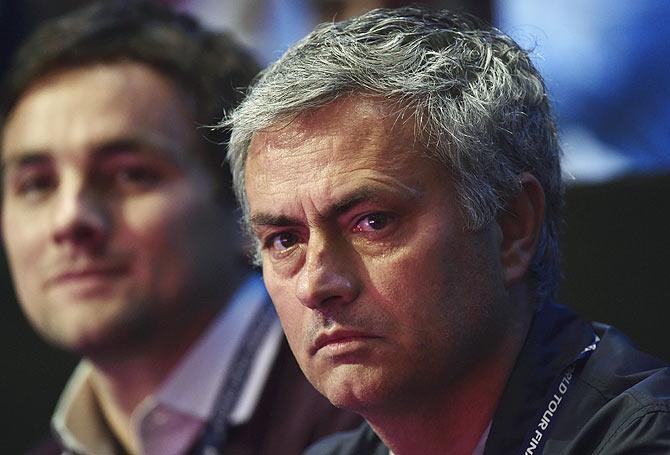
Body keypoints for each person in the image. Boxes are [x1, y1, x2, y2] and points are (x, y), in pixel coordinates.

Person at [223, 6, 670, 454]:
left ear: (512, 227)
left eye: (372, 222)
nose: (316, 285)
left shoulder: (643, 439)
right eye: (284, 240)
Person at [0, 1, 360, 454]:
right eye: (36, 185)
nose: (70, 219)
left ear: (243, 209)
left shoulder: (365, 412)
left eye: (129, 175)